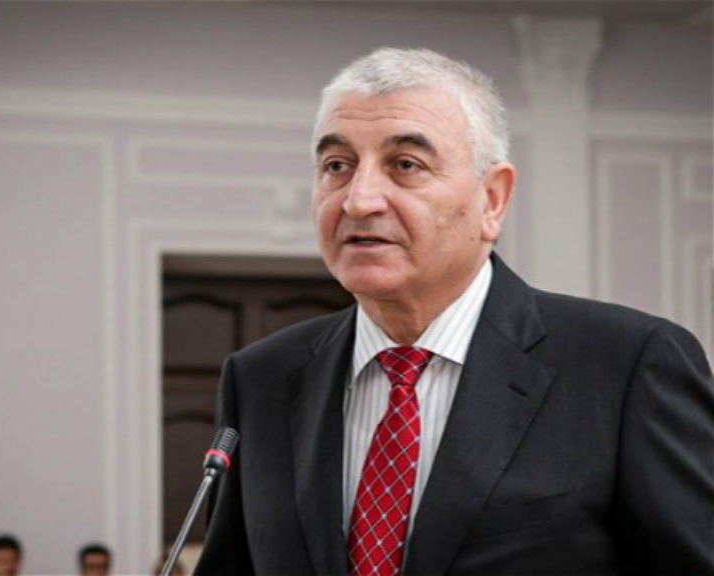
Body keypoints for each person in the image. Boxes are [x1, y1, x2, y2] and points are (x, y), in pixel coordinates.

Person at [194, 48, 714, 576]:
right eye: (337, 166)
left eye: (406, 165)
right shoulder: (261, 377)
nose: (359, 200)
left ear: (492, 200)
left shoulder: (627, 366)